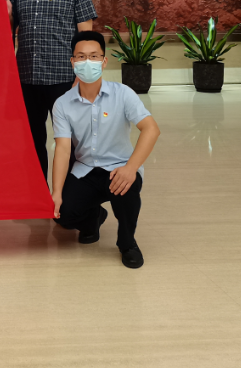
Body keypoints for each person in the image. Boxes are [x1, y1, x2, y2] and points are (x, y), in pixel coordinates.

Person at [50, 31, 160, 269]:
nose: (87, 62)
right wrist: (56, 192)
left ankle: (128, 243)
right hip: (86, 169)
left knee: (127, 191)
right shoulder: (62, 104)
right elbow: (63, 149)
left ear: (104, 61)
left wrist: (131, 168)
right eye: (81, 57)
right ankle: (95, 217)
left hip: (119, 167)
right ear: (72, 61)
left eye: (94, 56)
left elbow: (151, 129)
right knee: (64, 215)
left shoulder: (123, 93)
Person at [9, 0, 97, 180]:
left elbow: (86, 36)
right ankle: (38, 192)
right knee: (32, 140)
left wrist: (83, 75)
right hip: (27, 77)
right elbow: (7, 27)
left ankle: (69, 194)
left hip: (64, 78)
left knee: (68, 140)